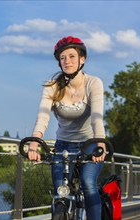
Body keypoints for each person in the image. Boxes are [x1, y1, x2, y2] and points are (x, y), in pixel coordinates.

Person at [27, 36, 106, 220]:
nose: (67, 61)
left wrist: (100, 142)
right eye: (62, 58)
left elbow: (96, 118)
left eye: (71, 56)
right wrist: (34, 142)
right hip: (63, 146)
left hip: (90, 144)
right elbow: (43, 116)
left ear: (82, 59)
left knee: (88, 183)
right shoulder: (52, 86)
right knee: (60, 192)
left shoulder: (93, 83)